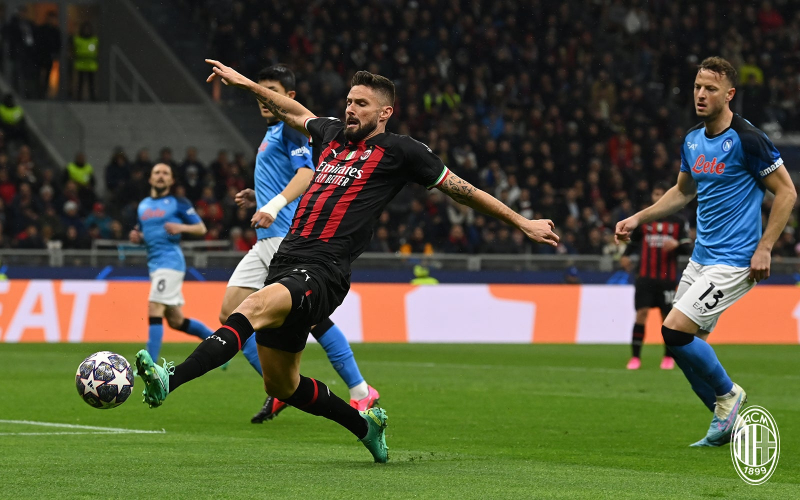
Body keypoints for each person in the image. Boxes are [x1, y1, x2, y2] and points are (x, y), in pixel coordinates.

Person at [134, 60, 559, 463]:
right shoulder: (332, 135)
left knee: (250, 307)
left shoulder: (402, 151)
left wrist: (521, 221)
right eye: (349, 101)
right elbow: (294, 110)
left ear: (385, 112)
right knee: (282, 383)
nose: (350, 109)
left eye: (362, 104)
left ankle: (170, 379)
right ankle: (365, 427)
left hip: (325, 270)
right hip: (287, 259)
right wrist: (245, 83)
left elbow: (462, 189)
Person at [615, 57, 796, 447]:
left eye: (710, 88)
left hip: (735, 261)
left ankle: (729, 393)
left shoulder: (748, 139)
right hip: (701, 259)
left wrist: (765, 247)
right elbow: (682, 192)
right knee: (680, 347)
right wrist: (638, 218)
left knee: (673, 330)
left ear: (729, 94)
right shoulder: (693, 139)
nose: (701, 94)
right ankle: (730, 428)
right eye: (698, 86)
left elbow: (786, 192)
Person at [220, 64, 380, 423]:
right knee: (231, 311)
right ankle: (280, 386)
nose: (264, 98)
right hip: (267, 236)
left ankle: (358, 390)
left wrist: (273, 206)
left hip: (286, 237)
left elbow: (307, 173)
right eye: (261, 91)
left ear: (289, 96)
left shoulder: (290, 130)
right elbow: (288, 177)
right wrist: (260, 197)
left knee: (310, 319)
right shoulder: (273, 132)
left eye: (272, 91)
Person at [129, 163, 216, 360]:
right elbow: (145, 232)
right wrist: (138, 237)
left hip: (171, 263)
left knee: (155, 306)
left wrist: (181, 227)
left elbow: (201, 228)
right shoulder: (143, 205)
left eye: (165, 173)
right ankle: (220, 345)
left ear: (171, 180)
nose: (161, 176)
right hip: (155, 265)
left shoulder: (179, 202)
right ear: (150, 178)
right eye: (157, 172)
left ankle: (149, 366)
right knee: (176, 321)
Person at [620, 183, 692, 371]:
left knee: (667, 319)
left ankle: (668, 357)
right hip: (645, 277)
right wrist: (625, 256)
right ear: (652, 196)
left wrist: (676, 245)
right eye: (655, 193)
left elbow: (688, 247)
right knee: (641, 314)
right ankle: (635, 358)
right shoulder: (644, 220)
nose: (658, 197)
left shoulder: (678, 221)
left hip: (667, 278)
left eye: (662, 194)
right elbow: (634, 243)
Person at [73, 22, 98, 101]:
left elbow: (96, 51)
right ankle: (79, 98)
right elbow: (75, 51)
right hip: (81, 64)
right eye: (85, 29)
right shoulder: (78, 39)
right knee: (80, 82)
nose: (86, 31)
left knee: (91, 82)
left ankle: (92, 98)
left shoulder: (94, 40)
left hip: (91, 64)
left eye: (88, 29)